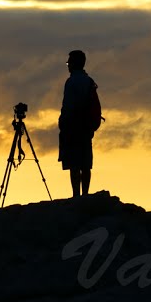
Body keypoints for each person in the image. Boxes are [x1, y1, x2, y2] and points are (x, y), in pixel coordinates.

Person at [58, 49, 95, 197]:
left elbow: (68, 105)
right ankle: (85, 195)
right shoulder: (89, 81)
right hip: (86, 127)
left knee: (74, 163)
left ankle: (76, 195)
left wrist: (63, 123)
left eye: (69, 62)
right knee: (85, 163)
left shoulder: (71, 82)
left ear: (74, 64)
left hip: (73, 127)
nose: (67, 65)